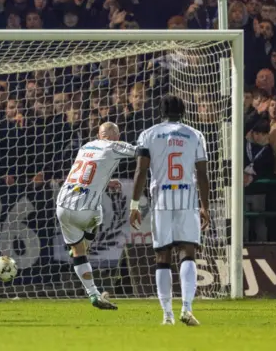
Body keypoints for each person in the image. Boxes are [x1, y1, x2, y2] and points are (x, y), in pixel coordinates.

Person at [129, 95, 210, 326]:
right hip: (187, 198)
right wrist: (205, 205)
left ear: (160, 112)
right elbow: (202, 174)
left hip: (161, 200)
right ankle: (187, 308)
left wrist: (134, 205)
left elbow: (141, 171)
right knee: (188, 252)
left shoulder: (148, 134)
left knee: (162, 255)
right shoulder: (195, 135)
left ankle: (167, 315)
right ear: (183, 112)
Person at [56, 122, 136, 310]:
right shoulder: (114, 145)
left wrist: (107, 181)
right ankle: (85, 245)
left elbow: (87, 173)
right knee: (97, 214)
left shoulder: (86, 146)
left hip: (62, 205)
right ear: (116, 135)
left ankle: (93, 294)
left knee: (78, 252)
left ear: (99, 135)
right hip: (85, 209)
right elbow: (141, 151)